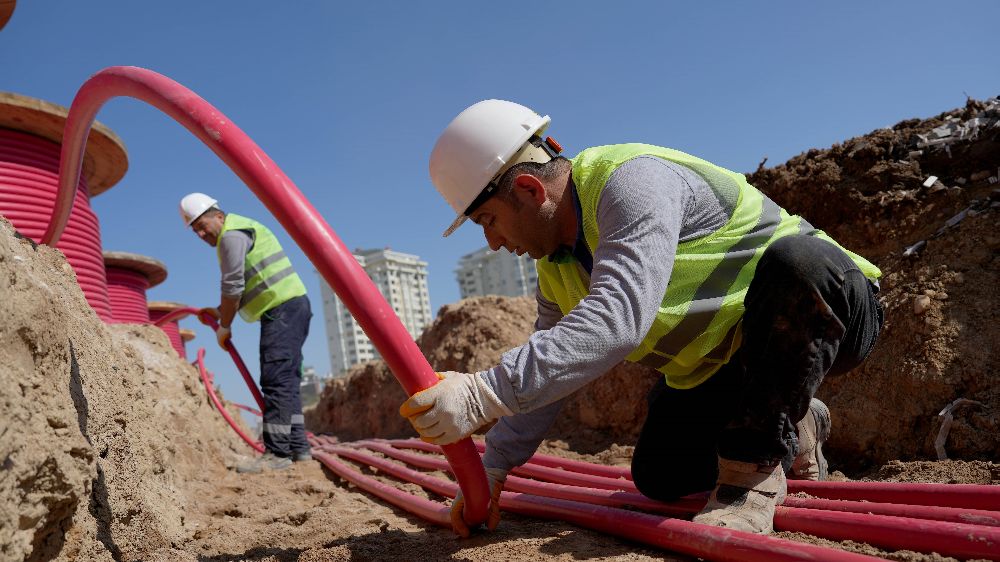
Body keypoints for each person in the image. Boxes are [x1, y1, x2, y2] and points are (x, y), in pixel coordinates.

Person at [400, 100, 883, 535]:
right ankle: (798, 422)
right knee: (661, 473)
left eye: (488, 221)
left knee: (798, 261)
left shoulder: (631, 183)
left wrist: (483, 393)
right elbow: (553, 374)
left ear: (528, 190)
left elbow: (616, 319)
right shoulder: (557, 268)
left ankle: (749, 474)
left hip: (825, 308)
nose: (493, 243)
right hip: (731, 366)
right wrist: (493, 468)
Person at [179, 193, 313, 473]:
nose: (201, 233)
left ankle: (277, 453)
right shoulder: (239, 228)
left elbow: (233, 287)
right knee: (287, 380)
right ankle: (299, 449)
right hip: (291, 306)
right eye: (195, 230)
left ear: (218, 215)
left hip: (282, 309)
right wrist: (220, 312)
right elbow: (245, 285)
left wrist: (225, 325)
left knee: (276, 379)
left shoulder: (231, 236)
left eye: (203, 225)